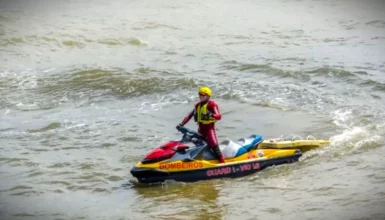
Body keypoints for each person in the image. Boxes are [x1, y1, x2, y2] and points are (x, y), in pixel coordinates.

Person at [177, 86, 225, 163]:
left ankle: (223, 163)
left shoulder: (212, 105)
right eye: (200, 95)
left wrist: (211, 115)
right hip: (200, 129)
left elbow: (219, 116)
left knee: (214, 147)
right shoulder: (197, 105)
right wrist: (181, 124)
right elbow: (189, 116)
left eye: (203, 95)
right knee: (198, 145)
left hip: (209, 130)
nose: (201, 97)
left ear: (208, 96)